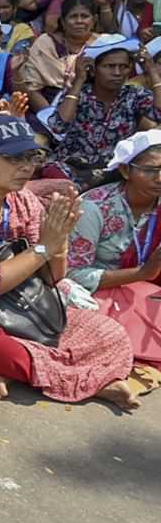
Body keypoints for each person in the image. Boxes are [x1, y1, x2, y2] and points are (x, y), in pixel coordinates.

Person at [0, 116, 139, 409]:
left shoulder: (22, 199)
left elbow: (53, 278)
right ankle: (84, 380)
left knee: (111, 334)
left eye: (32, 157)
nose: (27, 167)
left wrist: (60, 240)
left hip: (22, 304)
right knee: (2, 349)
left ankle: (14, 374)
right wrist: (43, 247)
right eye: (15, 159)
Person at [68, 130, 161, 363]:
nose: (160, 178)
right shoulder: (93, 208)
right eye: (151, 171)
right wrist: (141, 274)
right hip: (102, 293)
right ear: (125, 170)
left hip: (149, 289)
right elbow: (73, 274)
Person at [46, 35, 161, 183]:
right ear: (93, 70)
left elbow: (159, 111)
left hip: (113, 169)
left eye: (123, 67)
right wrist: (79, 79)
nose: (117, 73)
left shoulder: (133, 94)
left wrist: (151, 70)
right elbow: (58, 126)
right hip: (73, 168)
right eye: (109, 66)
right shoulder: (80, 94)